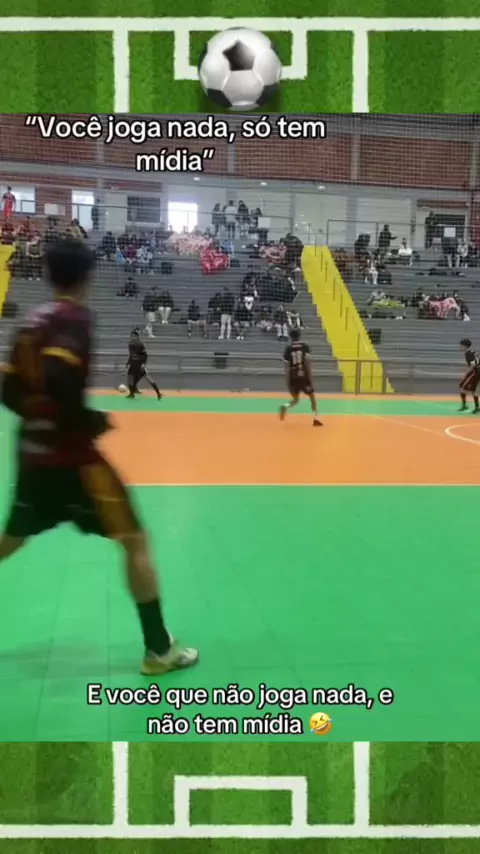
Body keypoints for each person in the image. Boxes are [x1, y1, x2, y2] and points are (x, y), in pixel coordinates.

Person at [0, 241, 196, 675]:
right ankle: (158, 650)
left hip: (32, 456)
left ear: (50, 276)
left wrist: (40, 417)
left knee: (8, 544)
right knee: (135, 541)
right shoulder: (75, 320)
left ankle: (159, 648)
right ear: (87, 279)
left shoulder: (30, 324)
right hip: (75, 463)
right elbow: (59, 380)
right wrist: (87, 420)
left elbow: (9, 390)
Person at [279, 328, 322, 427]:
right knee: (312, 397)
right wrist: (310, 377)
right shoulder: (305, 346)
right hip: (303, 374)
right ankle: (315, 418)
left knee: (295, 400)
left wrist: (287, 380)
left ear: (291, 337)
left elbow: (286, 366)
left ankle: (285, 406)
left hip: (293, 375)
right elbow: (307, 362)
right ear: (299, 336)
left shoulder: (288, 348)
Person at [126, 328, 163, 400]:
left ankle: (158, 393)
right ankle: (131, 394)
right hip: (133, 364)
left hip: (139, 365)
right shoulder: (130, 344)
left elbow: (145, 355)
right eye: (131, 336)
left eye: (133, 336)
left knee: (148, 378)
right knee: (130, 378)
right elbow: (130, 354)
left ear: (137, 336)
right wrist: (128, 362)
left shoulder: (140, 344)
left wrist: (143, 364)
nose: (132, 337)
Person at [459, 338, 480, 414]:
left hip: (475, 372)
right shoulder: (471, 351)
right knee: (462, 386)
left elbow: (473, 364)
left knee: (469, 389)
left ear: (465, 346)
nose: (460, 347)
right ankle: (466, 405)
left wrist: (467, 373)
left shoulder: (469, 353)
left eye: (461, 345)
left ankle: (475, 407)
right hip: (475, 371)